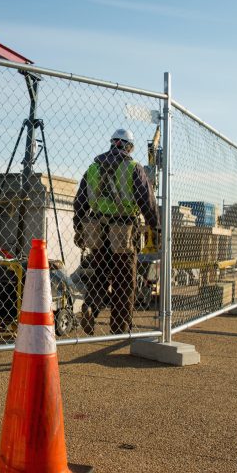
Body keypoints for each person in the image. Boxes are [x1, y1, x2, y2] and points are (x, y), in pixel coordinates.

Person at [73, 128, 159, 335]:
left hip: (97, 230)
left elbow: (80, 203)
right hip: (123, 231)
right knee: (124, 280)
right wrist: (154, 228)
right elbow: (147, 201)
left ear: (112, 143)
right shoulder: (133, 168)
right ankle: (119, 326)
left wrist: (79, 229)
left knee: (100, 274)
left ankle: (90, 307)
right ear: (129, 147)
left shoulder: (93, 168)